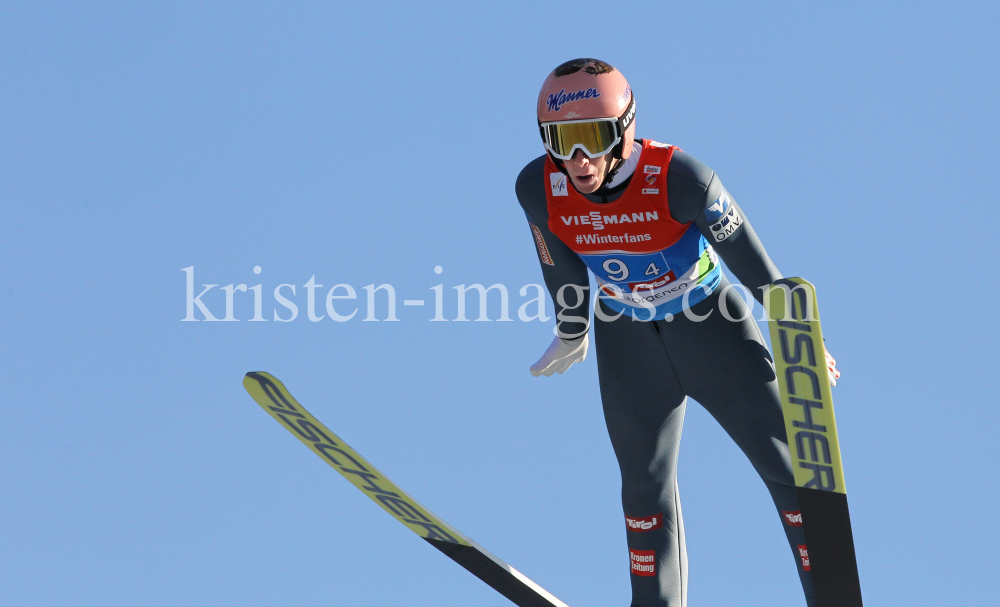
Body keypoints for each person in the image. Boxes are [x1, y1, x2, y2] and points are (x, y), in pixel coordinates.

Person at [515, 58, 841, 607]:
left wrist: (797, 337)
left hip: (712, 327)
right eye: (560, 140)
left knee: (785, 468)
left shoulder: (681, 177)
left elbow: (750, 258)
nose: (577, 158)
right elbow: (560, 264)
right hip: (626, 341)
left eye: (591, 137)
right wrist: (572, 329)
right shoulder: (537, 187)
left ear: (625, 128)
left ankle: (828, 593)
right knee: (643, 490)